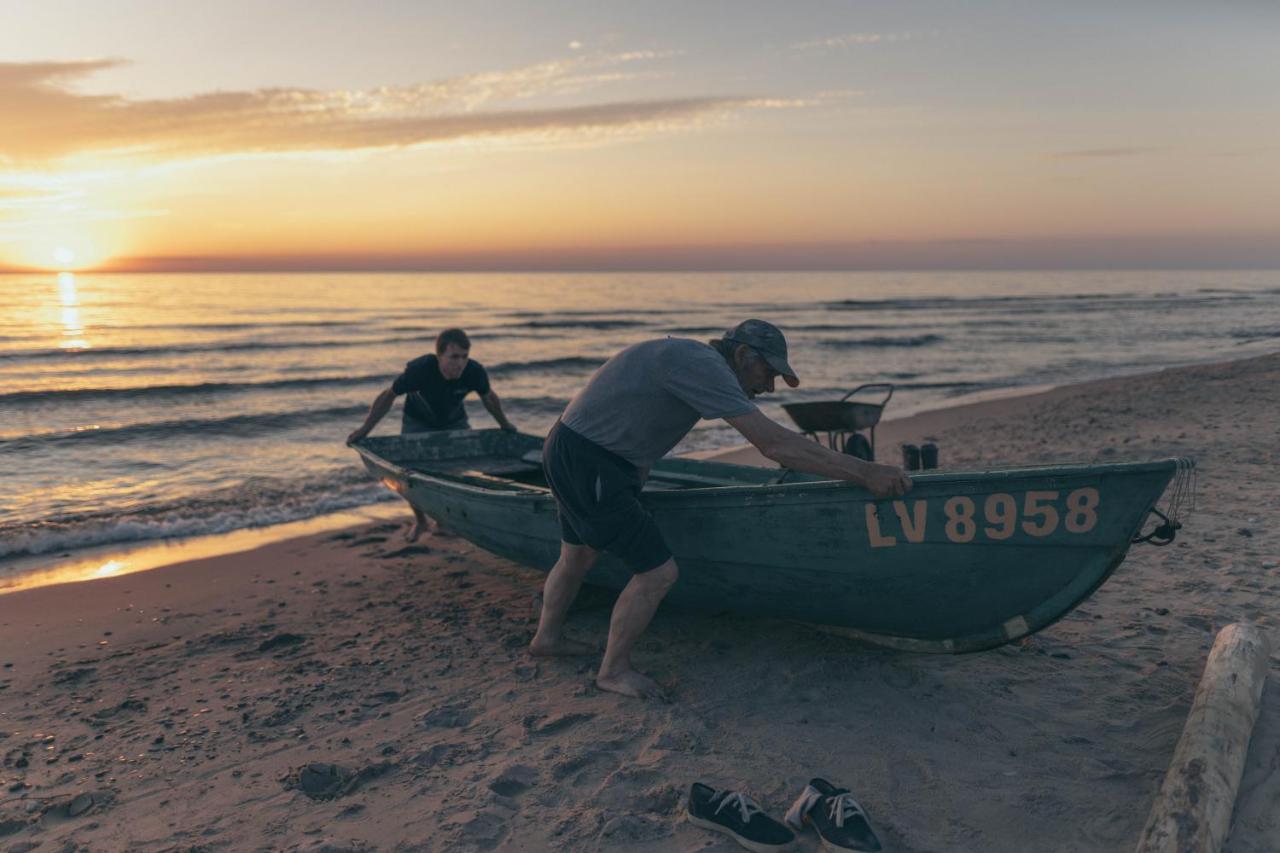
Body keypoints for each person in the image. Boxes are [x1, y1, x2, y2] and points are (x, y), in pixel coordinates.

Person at [530, 319, 912, 700]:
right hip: (594, 462)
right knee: (658, 573)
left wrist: (630, 478)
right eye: (769, 372)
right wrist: (865, 471)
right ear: (743, 354)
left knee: (576, 555)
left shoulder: (692, 360)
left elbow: (634, 413)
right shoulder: (704, 365)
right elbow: (773, 445)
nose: (768, 386)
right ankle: (613, 672)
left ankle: (546, 639)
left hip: (575, 450)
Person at [347, 327, 516, 540]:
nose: (460, 363)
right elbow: (388, 396)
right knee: (410, 474)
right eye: (454, 357)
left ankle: (445, 520)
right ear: (439, 356)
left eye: (465, 356)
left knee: (460, 468)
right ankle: (421, 522)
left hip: (454, 420)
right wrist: (364, 430)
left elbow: (489, 398)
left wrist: (505, 424)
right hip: (418, 421)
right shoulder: (420, 370)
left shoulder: (474, 371)